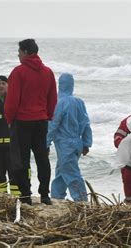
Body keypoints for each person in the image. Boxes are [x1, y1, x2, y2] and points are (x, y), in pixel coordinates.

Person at [5, 39, 57, 205]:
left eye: (19, 51)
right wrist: (47, 115)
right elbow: (52, 99)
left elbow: (12, 100)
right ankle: (45, 195)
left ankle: (26, 194)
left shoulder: (18, 72)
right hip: (41, 121)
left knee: (21, 159)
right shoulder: (48, 72)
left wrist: (9, 119)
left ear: (26, 52)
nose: (18, 54)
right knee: (42, 158)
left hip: (22, 121)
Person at [47, 73, 92, 202]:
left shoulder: (59, 102)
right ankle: (57, 197)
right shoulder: (79, 102)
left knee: (71, 174)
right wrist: (86, 143)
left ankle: (82, 200)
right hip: (77, 142)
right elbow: (86, 123)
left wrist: (46, 142)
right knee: (62, 172)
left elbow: (53, 124)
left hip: (64, 143)